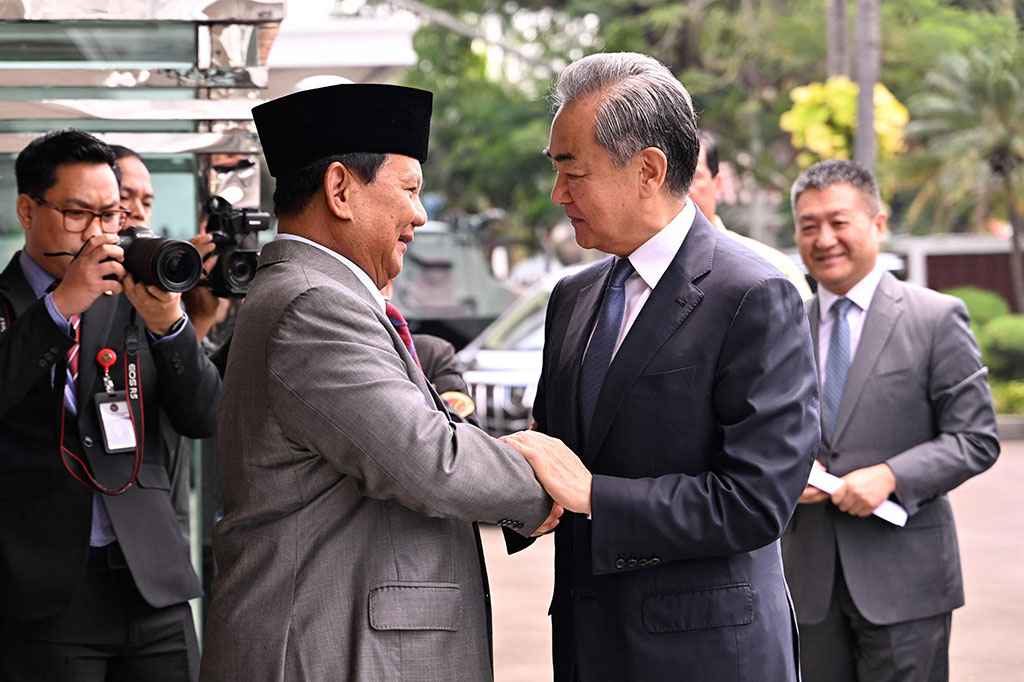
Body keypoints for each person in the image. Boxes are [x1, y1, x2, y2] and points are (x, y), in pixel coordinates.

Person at [199, 83, 557, 682]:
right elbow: (426, 458)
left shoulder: (315, 295)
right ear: (340, 189)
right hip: (323, 650)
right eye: (409, 189)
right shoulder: (312, 306)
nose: (419, 213)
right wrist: (547, 480)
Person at [501, 52, 821, 682]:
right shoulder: (574, 297)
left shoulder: (752, 294)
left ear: (648, 169)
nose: (557, 193)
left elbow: (756, 501)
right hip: (589, 643)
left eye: (573, 172)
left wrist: (594, 496)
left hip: (706, 654)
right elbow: (554, 455)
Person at [0, 128, 221, 681]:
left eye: (112, 216)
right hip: (43, 590)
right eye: (78, 214)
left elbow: (204, 416)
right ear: (27, 209)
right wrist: (59, 306)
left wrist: (170, 326)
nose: (99, 235)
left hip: (151, 581)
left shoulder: (133, 300)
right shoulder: (7, 305)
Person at [781, 159, 1000, 682]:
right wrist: (788, 477)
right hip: (806, 583)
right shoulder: (784, 328)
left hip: (906, 580)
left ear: (878, 225)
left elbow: (976, 437)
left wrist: (893, 476)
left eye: (839, 222)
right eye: (809, 226)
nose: (824, 239)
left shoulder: (935, 317)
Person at [688, 130, 814, 300]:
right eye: (671, 177)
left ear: (717, 185)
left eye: (693, 176)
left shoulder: (772, 269)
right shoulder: (643, 268)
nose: (681, 188)